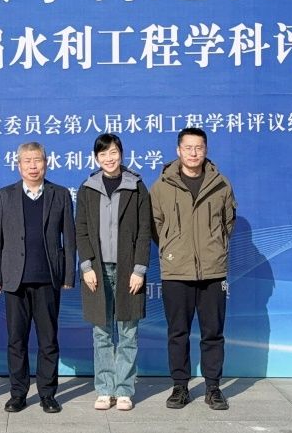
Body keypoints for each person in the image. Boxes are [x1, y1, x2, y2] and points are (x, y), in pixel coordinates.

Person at [0, 142, 76, 413]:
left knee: (48, 340)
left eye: (37, 160)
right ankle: (18, 394)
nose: (33, 166)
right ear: (19, 165)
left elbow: (70, 239)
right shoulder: (5, 196)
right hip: (15, 281)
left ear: (46, 163)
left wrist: (68, 274)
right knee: (16, 341)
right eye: (27, 161)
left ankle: (48, 394)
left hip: (48, 279)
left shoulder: (60, 194)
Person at [150, 127, 237, 410]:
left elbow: (228, 223)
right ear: (178, 150)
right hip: (176, 271)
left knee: (213, 333)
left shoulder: (221, 184)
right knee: (178, 332)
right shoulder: (162, 186)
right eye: (188, 147)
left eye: (199, 147)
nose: (193, 153)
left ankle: (213, 388)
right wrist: (172, 248)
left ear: (206, 150)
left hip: (213, 270)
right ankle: (180, 387)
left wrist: (213, 247)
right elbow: (155, 225)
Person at [76, 133, 153, 412]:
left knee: (128, 332)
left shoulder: (136, 187)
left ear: (121, 153)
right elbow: (81, 230)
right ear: (96, 158)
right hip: (97, 270)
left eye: (113, 152)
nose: (109, 158)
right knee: (102, 332)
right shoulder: (88, 188)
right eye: (103, 154)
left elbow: (144, 231)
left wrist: (139, 269)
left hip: (128, 270)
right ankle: (105, 389)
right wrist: (86, 266)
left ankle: (124, 390)